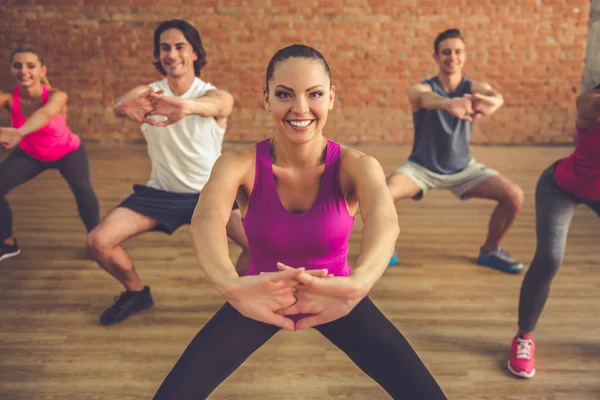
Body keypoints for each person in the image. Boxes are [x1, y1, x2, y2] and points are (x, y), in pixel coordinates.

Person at [152, 44, 448, 400]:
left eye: (315, 94)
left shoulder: (357, 165)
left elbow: (385, 223)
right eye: (284, 95)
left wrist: (359, 284)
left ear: (332, 98)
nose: (300, 108)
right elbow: (206, 221)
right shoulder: (238, 163)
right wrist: (229, 284)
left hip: (336, 296)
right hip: (261, 295)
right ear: (266, 99)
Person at [86, 19, 249, 325]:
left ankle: (239, 297)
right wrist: (122, 107)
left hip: (211, 195)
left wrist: (184, 107)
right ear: (158, 54)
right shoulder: (149, 94)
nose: (172, 54)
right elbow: (122, 104)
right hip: (160, 193)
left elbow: (221, 103)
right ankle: (136, 293)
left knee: (260, 247)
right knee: (98, 241)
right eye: (165, 48)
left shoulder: (211, 94)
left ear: (195, 53)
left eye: (179, 46)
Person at [386, 28, 525, 273]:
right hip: (421, 169)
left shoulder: (474, 87)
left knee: (514, 196)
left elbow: (493, 95)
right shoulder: (423, 88)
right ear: (436, 57)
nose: (452, 57)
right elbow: (422, 98)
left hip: (464, 168)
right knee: (382, 194)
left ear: (465, 56)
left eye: (458, 52)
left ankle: (491, 250)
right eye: (446, 52)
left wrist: (494, 102)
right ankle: (385, 248)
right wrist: (449, 104)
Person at [507, 84, 600, 378]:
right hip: (560, 186)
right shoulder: (593, 109)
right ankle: (524, 337)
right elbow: (585, 102)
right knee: (550, 257)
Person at [0, 46, 99, 262]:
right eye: (18, 65)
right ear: (11, 69)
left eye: (31, 66)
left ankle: (98, 242)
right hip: (31, 155)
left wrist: (19, 132)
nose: (24, 71)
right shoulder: (8, 99)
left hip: (67, 152)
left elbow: (44, 114)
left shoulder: (57, 96)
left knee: (83, 189)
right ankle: (7, 243)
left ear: (42, 70)